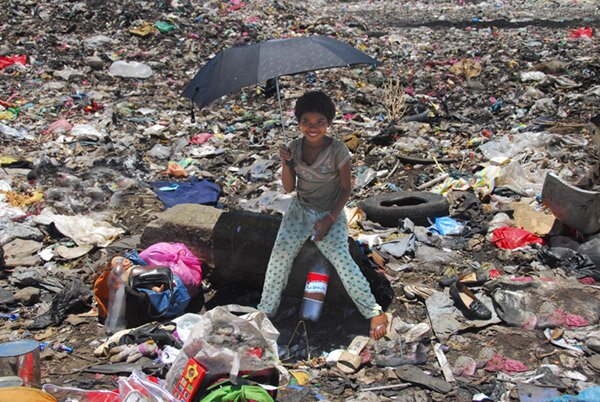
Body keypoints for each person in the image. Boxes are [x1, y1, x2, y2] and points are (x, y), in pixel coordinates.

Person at [257, 90, 388, 340]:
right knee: (280, 255)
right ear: (298, 123)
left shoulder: (338, 150)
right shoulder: (294, 148)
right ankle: (265, 311)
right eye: (306, 122)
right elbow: (288, 188)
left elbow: (346, 187)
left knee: (341, 258)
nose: (312, 128)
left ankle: (373, 311)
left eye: (319, 122)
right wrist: (286, 162)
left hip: (330, 211)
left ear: (328, 123)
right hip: (301, 209)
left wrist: (329, 220)